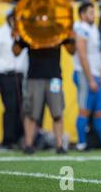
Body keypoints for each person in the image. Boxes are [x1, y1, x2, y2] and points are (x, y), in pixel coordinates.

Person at [13, 23, 76, 155]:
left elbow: (71, 50)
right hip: (34, 77)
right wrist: (17, 37)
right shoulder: (30, 29)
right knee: (31, 113)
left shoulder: (58, 28)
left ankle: (60, 146)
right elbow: (16, 51)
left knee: (57, 112)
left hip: (54, 77)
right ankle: (28, 145)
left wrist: (71, 37)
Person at [73, 2, 101, 151]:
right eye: (90, 12)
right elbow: (82, 55)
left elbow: (96, 55)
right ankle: (81, 143)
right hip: (84, 75)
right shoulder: (80, 29)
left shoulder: (93, 29)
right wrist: (90, 78)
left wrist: (100, 76)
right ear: (82, 14)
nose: (93, 15)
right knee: (84, 110)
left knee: (100, 111)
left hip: (95, 74)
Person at [0, 9, 28, 150]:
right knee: (11, 107)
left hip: (21, 76)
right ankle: (8, 140)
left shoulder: (24, 33)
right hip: (5, 75)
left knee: (22, 108)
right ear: (8, 18)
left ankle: (21, 138)